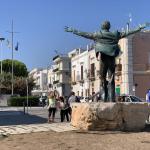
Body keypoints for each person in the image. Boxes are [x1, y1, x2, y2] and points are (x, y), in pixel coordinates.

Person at [65, 21, 149, 102]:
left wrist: (72, 30)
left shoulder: (98, 34)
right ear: (109, 27)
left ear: (102, 27)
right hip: (112, 58)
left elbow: (85, 34)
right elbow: (127, 33)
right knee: (111, 79)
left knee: (102, 78)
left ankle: (104, 98)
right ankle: (112, 99)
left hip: (103, 58)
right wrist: (139, 27)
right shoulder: (114, 34)